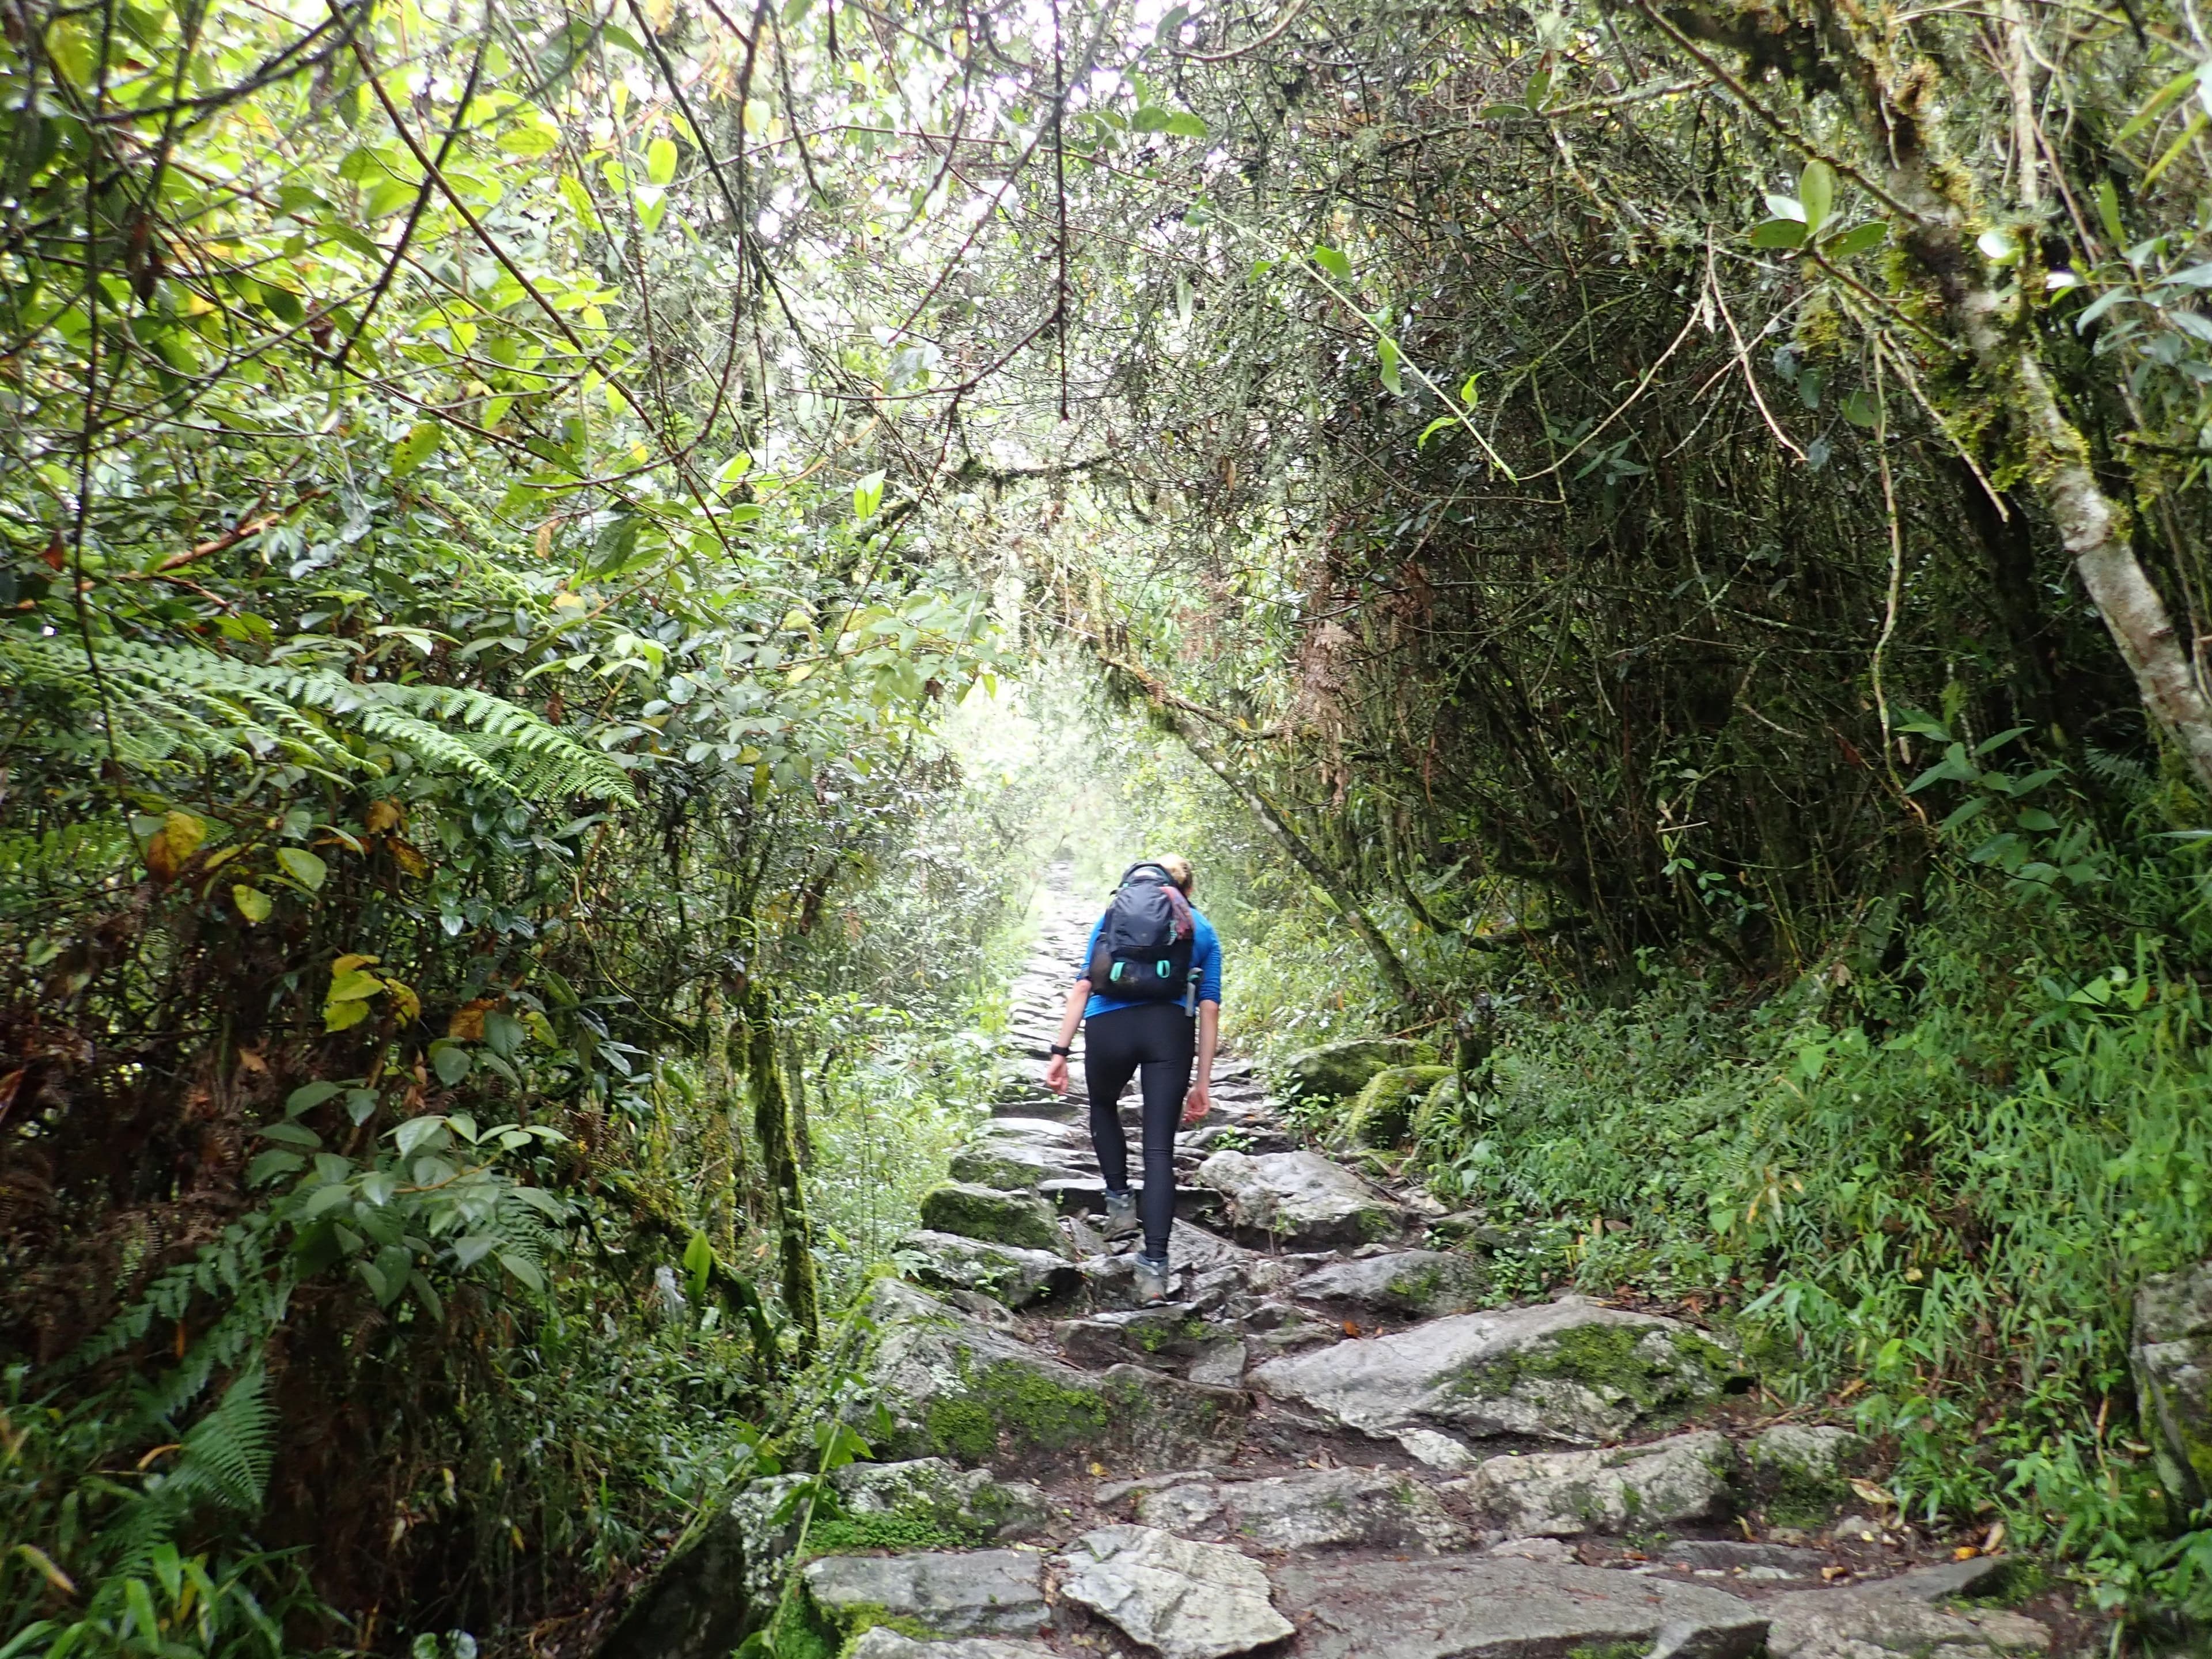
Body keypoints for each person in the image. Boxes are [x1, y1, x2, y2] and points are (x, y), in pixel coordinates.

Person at [1043, 854, 1221, 1305]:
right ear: (1187, 891)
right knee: (1160, 1149)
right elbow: (1209, 1006)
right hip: (1169, 1034)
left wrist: (1059, 1052)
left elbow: (1085, 984)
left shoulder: (1112, 915)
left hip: (1109, 1031)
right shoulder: (1200, 928)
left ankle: (1120, 1205)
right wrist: (1203, 1081)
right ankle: (1154, 1273)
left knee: (1102, 1106)